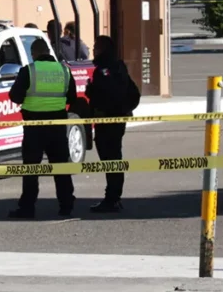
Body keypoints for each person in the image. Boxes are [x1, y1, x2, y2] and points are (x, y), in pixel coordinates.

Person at [7, 38, 84, 218]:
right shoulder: (64, 70)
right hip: (57, 125)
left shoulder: (29, 71)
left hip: (34, 126)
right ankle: (66, 205)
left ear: (34, 53)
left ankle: (27, 207)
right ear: (48, 52)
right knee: (60, 168)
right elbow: (72, 97)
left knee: (31, 169)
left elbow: (15, 97)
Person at [85, 35, 139, 213]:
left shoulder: (104, 69)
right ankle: (113, 197)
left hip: (108, 120)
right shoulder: (118, 66)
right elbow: (133, 92)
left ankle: (112, 198)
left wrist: (92, 92)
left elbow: (109, 93)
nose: (93, 49)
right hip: (116, 119)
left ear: (103, 49)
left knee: (110, 159)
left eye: (96, 46)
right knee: (114, 158)